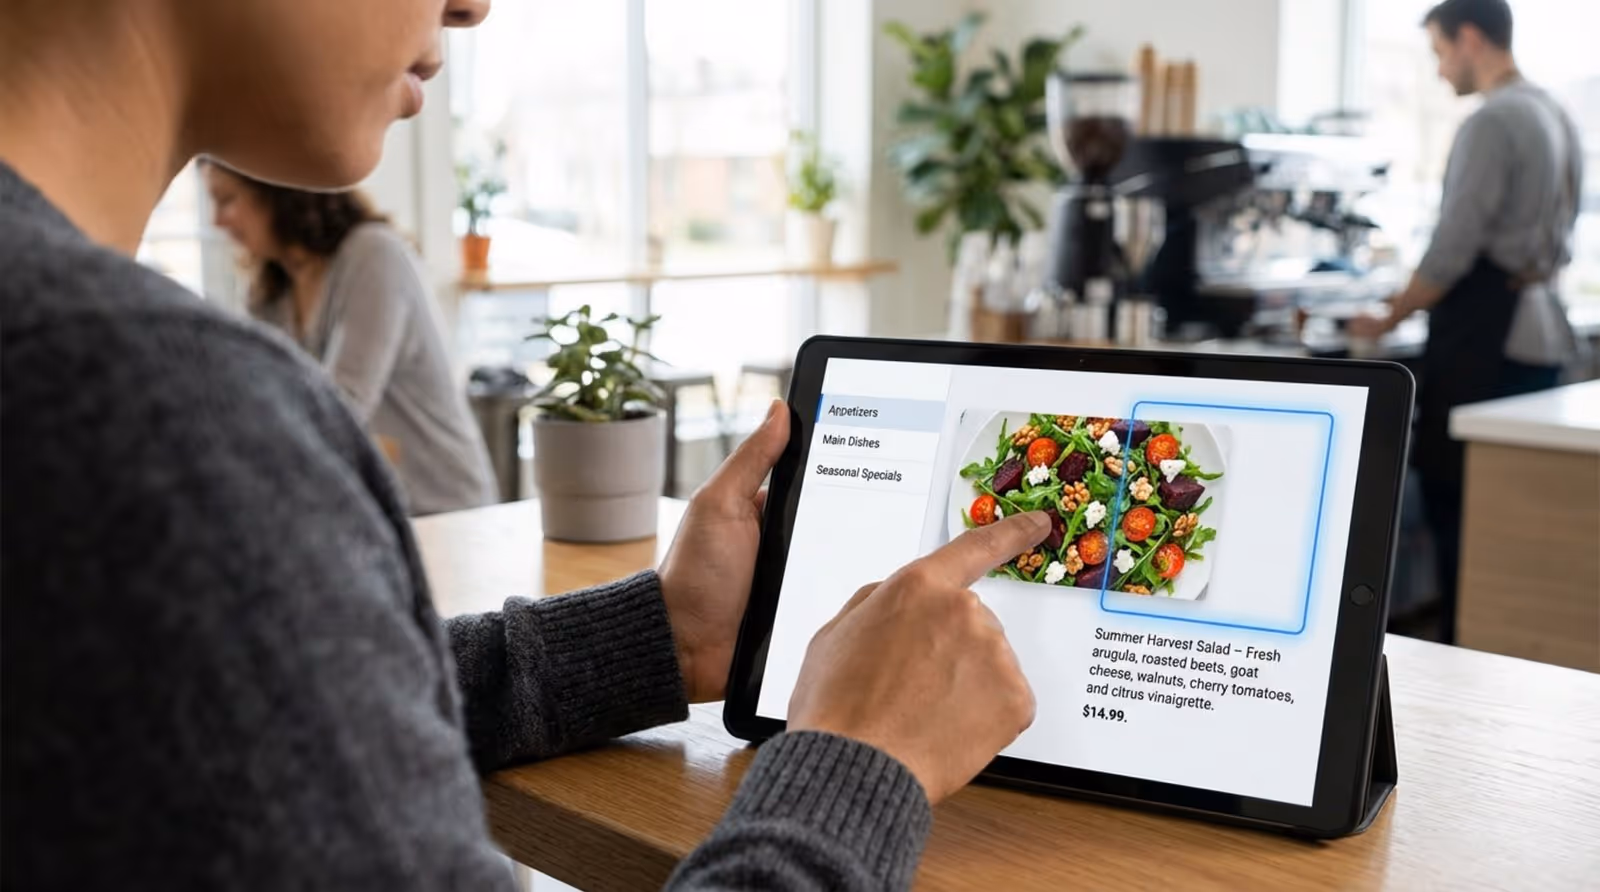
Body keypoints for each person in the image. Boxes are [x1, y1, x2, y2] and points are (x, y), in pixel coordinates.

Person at [0, 2, 1046, 890]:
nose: (472, 3)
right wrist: (853, 762)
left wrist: (655, 642)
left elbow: (246, 726)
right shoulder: (146, 410)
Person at [1349, 0, 1584, 644]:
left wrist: (1387, 316)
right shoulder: (1555, 112)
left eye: (1438, 51)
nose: (1438, 69)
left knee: (1467, 514)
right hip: (1539, 330)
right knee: (1518, 524)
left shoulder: (1491, 122)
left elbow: (1453, 246)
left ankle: (1460, 648)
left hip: (1487, 336)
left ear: (1471, 38)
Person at [202, 160, 498, 516]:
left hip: (444, 510)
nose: (217, 220)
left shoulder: (374, 254)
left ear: (276, 191)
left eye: (226, 199)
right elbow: (262, 397)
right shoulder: (269, 291)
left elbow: (343, 408)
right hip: (368, 509)